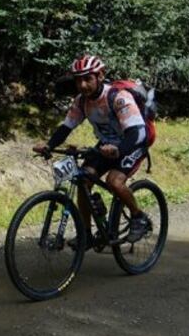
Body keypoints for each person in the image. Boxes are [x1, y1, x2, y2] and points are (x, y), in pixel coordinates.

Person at [33, 55, 153, 243]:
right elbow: (66, 126)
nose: (82, 85)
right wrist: (49, 146)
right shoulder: (82, 101)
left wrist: (119, 151)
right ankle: (86, 234)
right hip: (106, 145)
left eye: (87, 78)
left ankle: (139, 217)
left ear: (100, 75)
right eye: (78, 80)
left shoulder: (118, 97)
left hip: (133, 142)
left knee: (114, 181)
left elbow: (137, 133)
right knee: (84, 179)